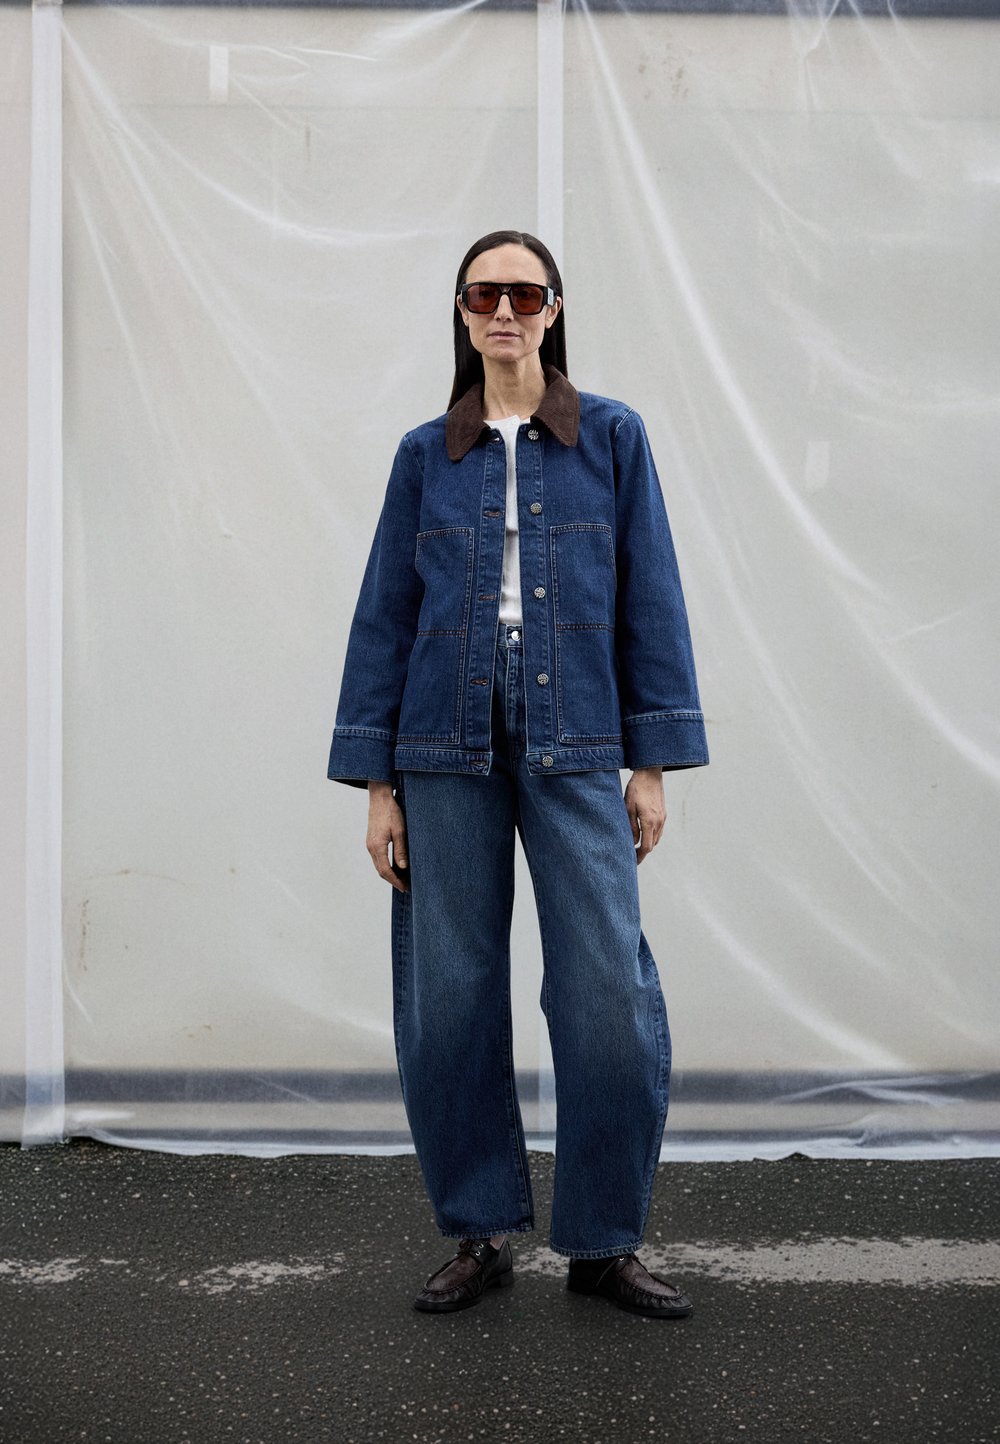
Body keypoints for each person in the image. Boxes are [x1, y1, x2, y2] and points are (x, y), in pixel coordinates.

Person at [328, 230, 708, 1318]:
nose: (505, 310)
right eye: (485, 293)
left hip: (576, 728)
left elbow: (650, 595)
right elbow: (385, 615)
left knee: (606, 992)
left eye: (525, 294)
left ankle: (604, 1241)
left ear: (553, 309)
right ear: (462, 311)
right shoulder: (425, 455)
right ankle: (479, 1228)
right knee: (447, 993)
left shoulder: (611, 437)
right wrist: (378, 784)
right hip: (439, 738)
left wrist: (651, 762)